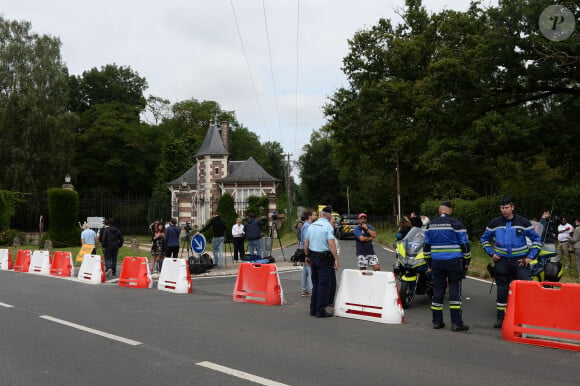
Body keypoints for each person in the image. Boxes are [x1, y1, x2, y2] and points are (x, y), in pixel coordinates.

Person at [480, 197, 541, 328]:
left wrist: (530, 257)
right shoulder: (494, 223)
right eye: (502, 208)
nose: (504, 210)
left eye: (507, 207)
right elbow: (484, 239)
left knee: (525, 288)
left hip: (520, 262)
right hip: (502, 261)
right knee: (502, 290)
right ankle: (500, 319)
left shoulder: (523, 222)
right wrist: (492, 253)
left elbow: (537, 240)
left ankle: (525, 319)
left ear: (512, 207)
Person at [423, 201, 471, 332]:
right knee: (455, 291)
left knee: (438, 292)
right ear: (450, 211)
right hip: (454, 262)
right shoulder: (457, 224)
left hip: (437, 263)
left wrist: (429, 263)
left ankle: (437, 322)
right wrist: (466, 262)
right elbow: (465, 245)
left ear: (439, 211)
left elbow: (426, 247)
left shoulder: (430, 225)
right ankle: (456, 324)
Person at [304, 206, 339, 318]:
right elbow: (331, 243)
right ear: (328, 215)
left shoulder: (312, 225)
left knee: (316, 283)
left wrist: (306, 255)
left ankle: (313, 308)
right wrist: (336, 259)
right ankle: (320, 310)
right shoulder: (328, 226)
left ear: (321, 214)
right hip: (324, 258)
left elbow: (306, 242)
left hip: (313, 256)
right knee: (324, 284)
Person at [300, 209, 318, 296]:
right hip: (307, 250)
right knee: (310, 270)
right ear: (310, 216)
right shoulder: (307, 226)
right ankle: (312, 289)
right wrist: (307, 253)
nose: (316, 217)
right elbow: (306, 240)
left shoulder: (307, 225)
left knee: (305, 271)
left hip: (305, 250)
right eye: (314, 215)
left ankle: (304, 289)